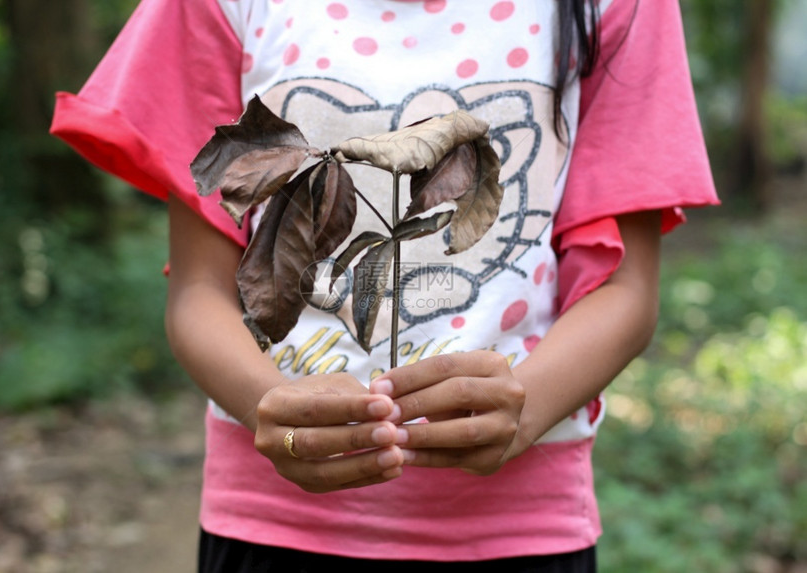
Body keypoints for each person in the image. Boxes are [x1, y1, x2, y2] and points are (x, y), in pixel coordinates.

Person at [51, 0, 719, 570]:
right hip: (271, 525)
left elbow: (625, 290)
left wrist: (526, 406)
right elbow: (200, 291)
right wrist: (268, 406)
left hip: (521, 531)